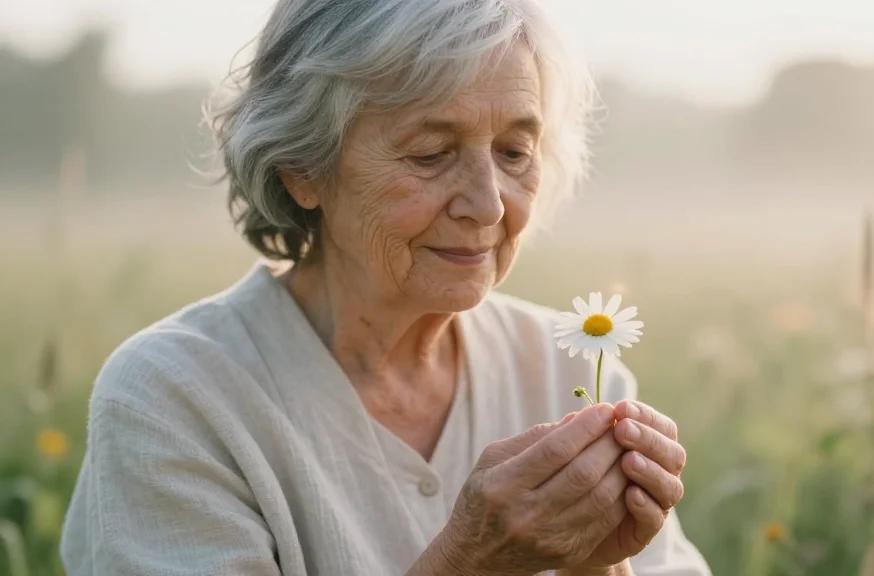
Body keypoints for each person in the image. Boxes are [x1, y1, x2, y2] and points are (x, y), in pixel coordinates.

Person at [60, 1, 711, 574]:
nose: (488, 205)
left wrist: (595, 563)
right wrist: (469, 562)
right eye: (430, 153)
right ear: (301, 170)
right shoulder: (175, 396)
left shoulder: (574, 366)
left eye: (515, 152)